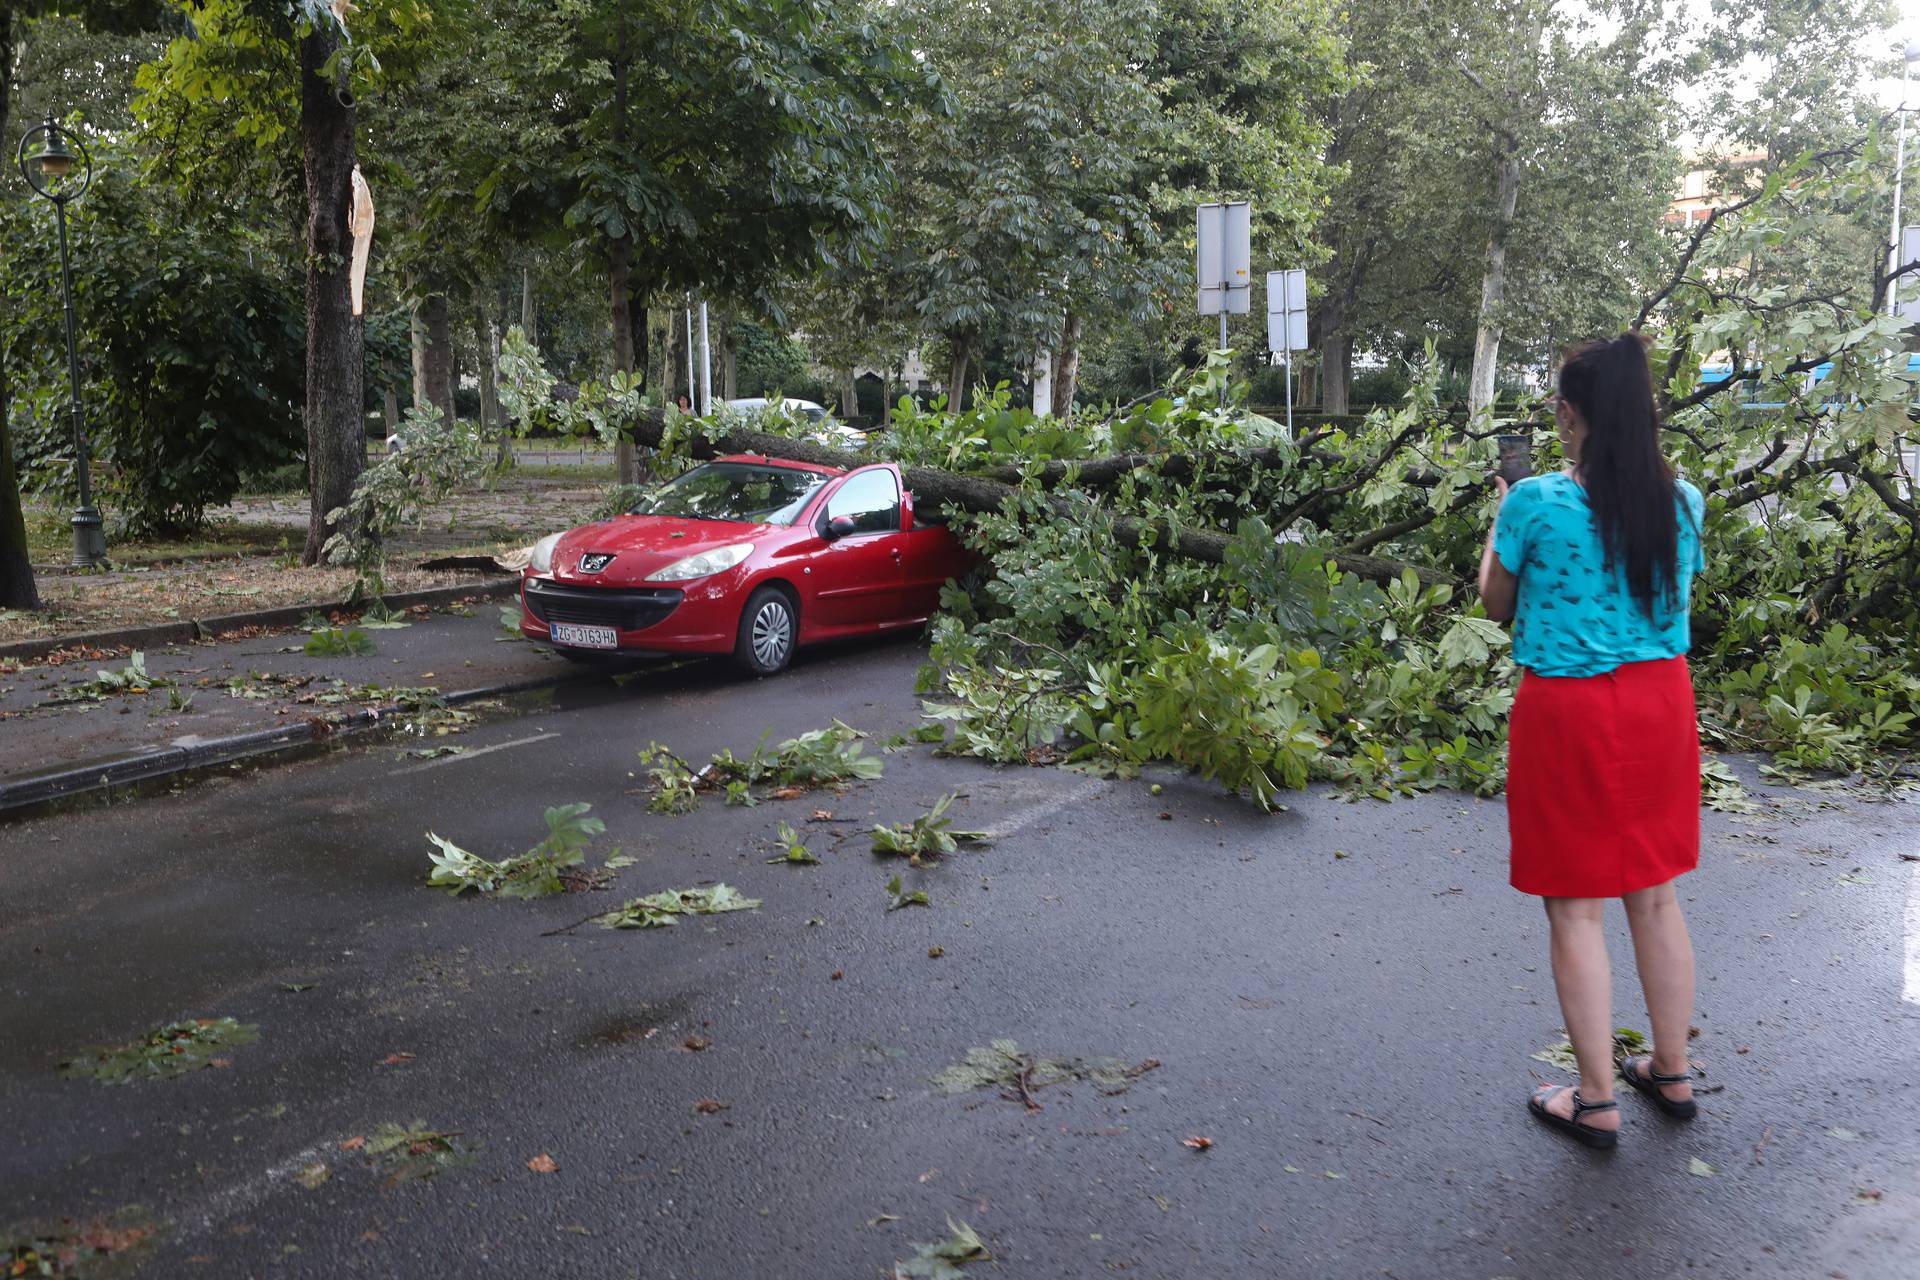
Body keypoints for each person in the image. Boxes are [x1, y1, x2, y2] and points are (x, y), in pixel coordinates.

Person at [1477, 333, 1708, 1150]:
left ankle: (1597, 1097)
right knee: (1654, 893)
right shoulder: (1683, 502)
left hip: (1568, 710)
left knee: (1575, 907)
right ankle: (1671, 1072)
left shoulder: (1533, 500)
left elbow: (1495, 604)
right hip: (1660, 707)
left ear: (1570, 415)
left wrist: (1499, 513)